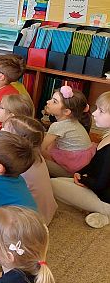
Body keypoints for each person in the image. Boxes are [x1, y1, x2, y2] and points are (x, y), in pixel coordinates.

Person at [50, 91, 110, 229]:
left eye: (101, 111)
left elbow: (100, 183)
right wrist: (81, 173)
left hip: (104, 199)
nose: (94, 113)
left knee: (52, 185)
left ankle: (104, 213)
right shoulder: (107, 137)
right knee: (57, 182)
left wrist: (83, 180)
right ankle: (93, 210)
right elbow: (94, 164)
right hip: (97, 189)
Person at [3, 116, 57, 225]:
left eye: (5, 131)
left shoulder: (17, 164)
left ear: (16, 142)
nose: (1, 131)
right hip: (45, 213)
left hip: (29, 222)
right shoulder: (36, 155)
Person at [41, 86, 95, 178]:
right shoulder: (74, 122)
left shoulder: (58, 126)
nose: (48, 102)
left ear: (66, 111)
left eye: (54, 101)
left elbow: (41, 148)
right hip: (79, 167)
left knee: (35, 159)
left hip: (69, 172)